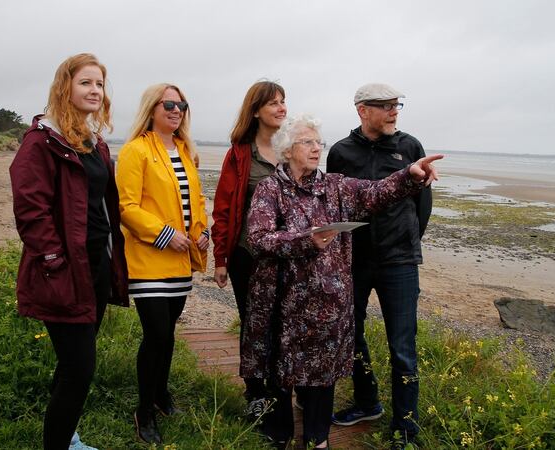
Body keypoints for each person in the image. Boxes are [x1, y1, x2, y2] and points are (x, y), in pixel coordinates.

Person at [241, 114, 441, 449]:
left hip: (326, 302)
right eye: (308, 142)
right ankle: (279, 434)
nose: (317, 148)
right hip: (280, 300)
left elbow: (375, 193)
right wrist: (306, 240)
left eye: (319, 142)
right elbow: (259, 238)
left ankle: (318, 437)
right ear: (288, 150)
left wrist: (409, 174)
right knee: (280, 367)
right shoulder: (270, 189)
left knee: (322, 371)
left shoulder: (333, 187)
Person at [10, 53, 129, 450]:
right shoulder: (41, 143)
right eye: (86, 83)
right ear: (66, 87)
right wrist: (54, 262)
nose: (95, 90)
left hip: (95, 265)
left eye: (99, 84)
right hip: (62, 271)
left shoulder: (93, 143)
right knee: (80, 368)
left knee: (72, 365)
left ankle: (66, 437)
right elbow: (31, 210)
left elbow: (101, 206)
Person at [326, 83, 431, 448]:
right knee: (351, 336)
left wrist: (407, 239)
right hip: (352, 260)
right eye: (385, 106)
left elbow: (423, 205)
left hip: (399, 261)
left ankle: (406, 427)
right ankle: (367, 402)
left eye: (396, 105)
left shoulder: (410, 147)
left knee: (402, 346)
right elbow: (334, 204)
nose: (393, 111)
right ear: (362, 110)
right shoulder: (340, 152)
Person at [115, 83, 209, 444]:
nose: (176, 110)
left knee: (167, 335)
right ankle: (144, 410)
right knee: (155, 335)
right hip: (148, 259)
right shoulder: (135, 150)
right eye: (168, 104)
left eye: (182, 104)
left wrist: (203, 232)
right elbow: (127, 207)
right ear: (151, 108)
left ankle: (160, 394)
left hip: (180, 262)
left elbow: (195, 202)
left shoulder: (186, 151)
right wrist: (166, 234)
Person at [210, 81, 286, 416]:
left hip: (288, 257)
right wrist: (220, 259)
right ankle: (256, 393)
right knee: (254, 324)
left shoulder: (292, 148)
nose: (281, 108)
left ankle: (281, 388)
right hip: (248, 255)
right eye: (273, 103)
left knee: (284, 323)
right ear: (256, 110)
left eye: (283, 102)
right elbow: (224, 207)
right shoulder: (241, 152)